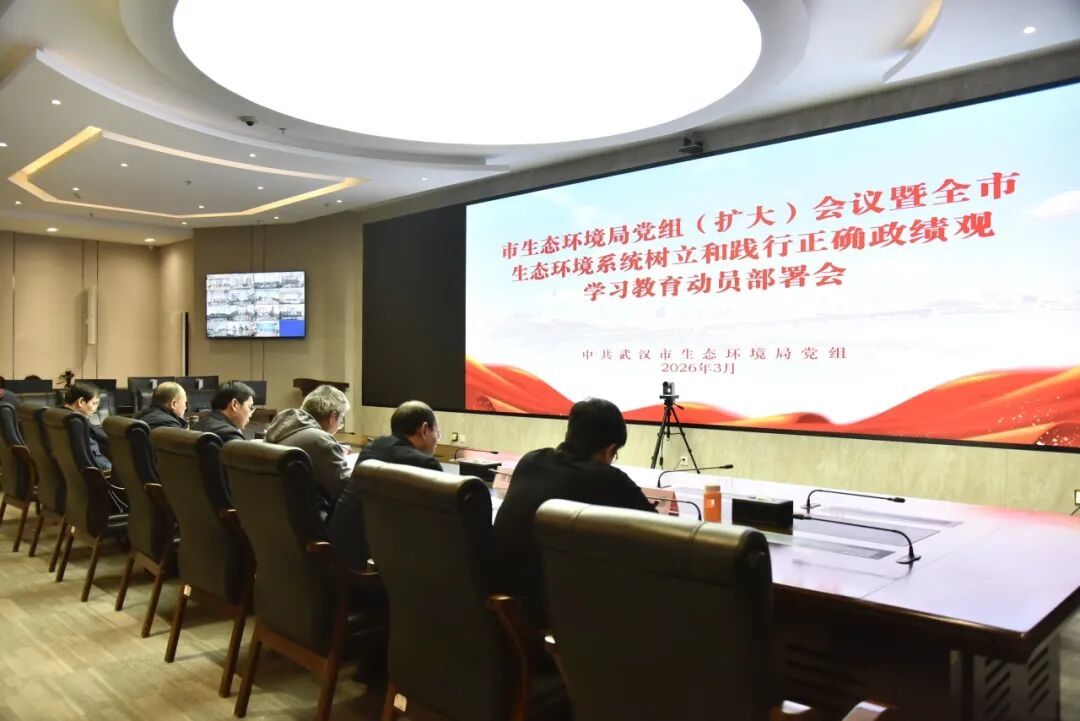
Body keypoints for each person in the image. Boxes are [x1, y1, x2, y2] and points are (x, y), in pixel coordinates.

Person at [493, 397, 657, 626]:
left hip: (499, 604)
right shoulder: (608, 479)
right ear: (610, 450)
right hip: (552, 616)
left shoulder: (530, 461)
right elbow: (658, 535)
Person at [329, 400, 442, 570]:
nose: (437, 441)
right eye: (437, 434)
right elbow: (439, 526)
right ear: (424, 430)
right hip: (374, 566)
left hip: (340, 553)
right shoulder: (425, 464)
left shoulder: (372, 448)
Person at [264, 384, 351, 514]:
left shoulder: (279, 429)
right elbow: (347, 489)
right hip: (308, 519)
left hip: (274, 515)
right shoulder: (320, 440)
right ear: (333, 417)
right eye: (341, 420)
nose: (340, 425)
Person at [63, 382, 111, 472]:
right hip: (97, 474)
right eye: (94, 403)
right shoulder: (77, 423)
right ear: (81, 402)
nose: (96, 408)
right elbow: (95, 460)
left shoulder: (56, 415)